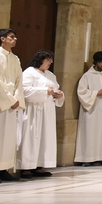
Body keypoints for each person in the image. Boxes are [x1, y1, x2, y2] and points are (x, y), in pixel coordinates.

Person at [0, 29, 25, 183]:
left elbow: (18, 81)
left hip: (12, 104)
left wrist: (16, 99)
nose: (15, 39)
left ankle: (3, 170)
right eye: (11, 37)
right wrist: (9, 99)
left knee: (8, 138)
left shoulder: (15, 59)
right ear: (2, 39)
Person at [17, 50, 64, 178]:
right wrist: (45, 91)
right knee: (31, 137)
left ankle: (39, 165)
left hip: (47, 110)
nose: (51, 62)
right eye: (48, 59)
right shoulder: (29, 72)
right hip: (33, 110)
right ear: (40, 60)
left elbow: (55, 89)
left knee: (45, 137)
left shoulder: (50, 75)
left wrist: (58, 95)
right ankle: (26, 167)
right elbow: (24, 90)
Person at [75, 51, 102, 165]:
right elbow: (81, 92)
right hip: (91, 110)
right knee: (90, 133)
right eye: (101, 62)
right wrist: (96, 93)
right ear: (95, 62)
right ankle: (88, 158)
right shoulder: (87, 76)